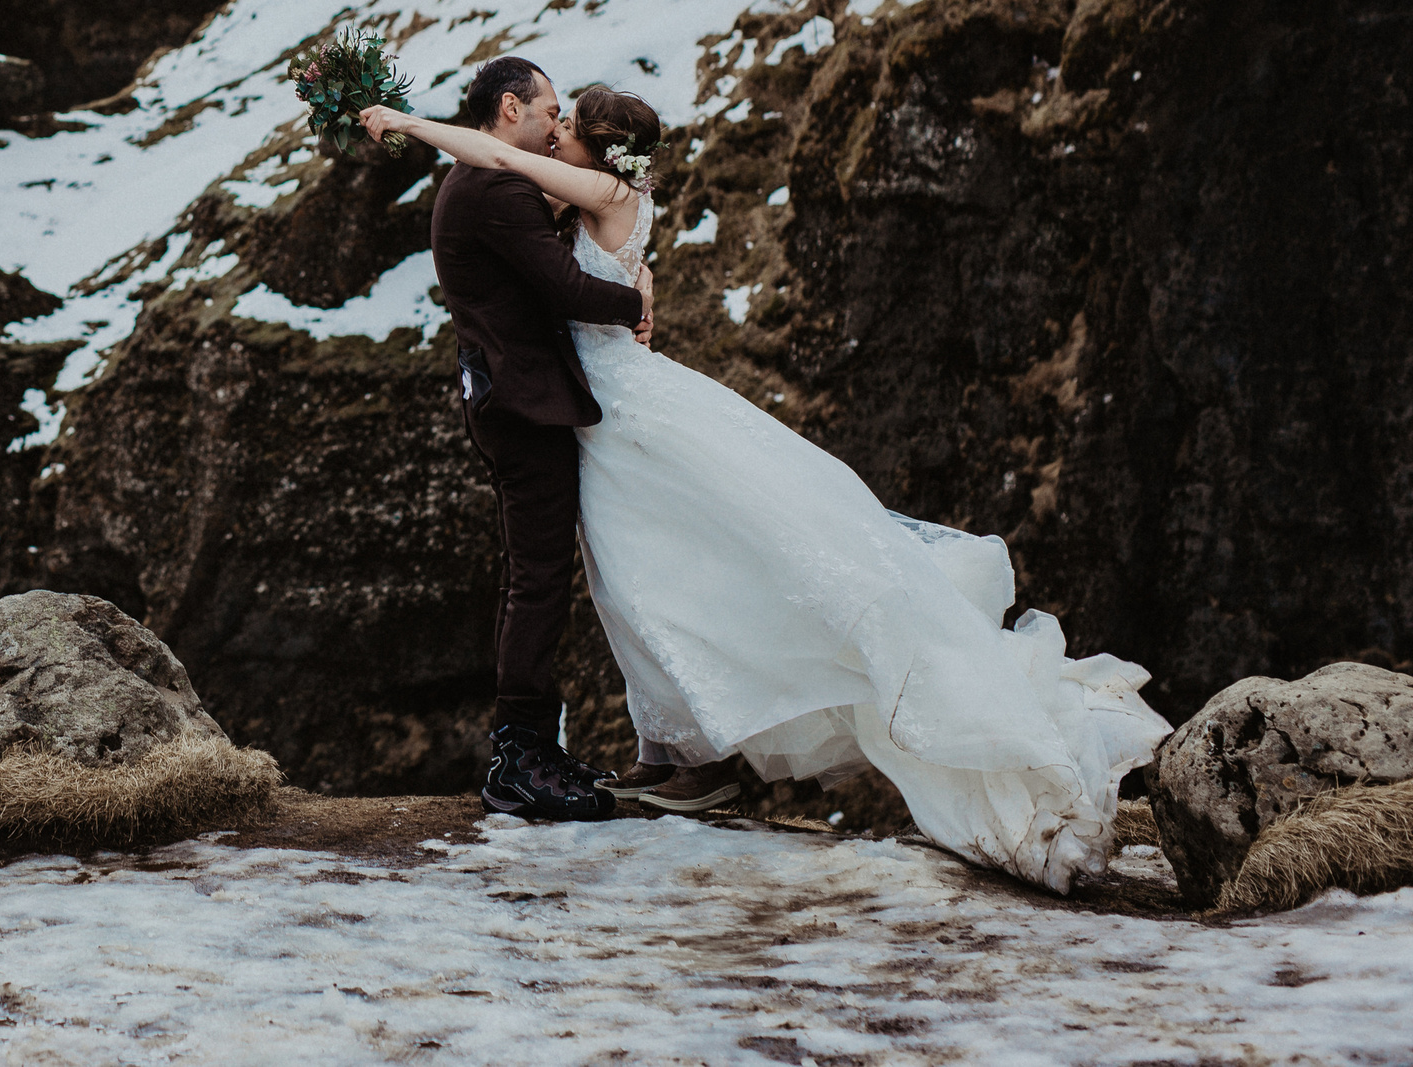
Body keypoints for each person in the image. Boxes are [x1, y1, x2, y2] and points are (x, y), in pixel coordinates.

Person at [367, 82, 1171, 892]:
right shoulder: (582, 192)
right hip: (610, 411)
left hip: (626, 414)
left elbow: (499, 156)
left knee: (664, 575)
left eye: (566, 124)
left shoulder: (608, 189)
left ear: (602, 148)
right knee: (641, 584)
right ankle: (676, 757)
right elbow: (506, 181)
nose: (553, 133)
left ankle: (694, 758)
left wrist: (406, 122)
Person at [424, 57, 652, 823]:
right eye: (551, 109)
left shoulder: (483, 180)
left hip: (512, 398)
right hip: (524, 408)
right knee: (540, 579)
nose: (559, 123)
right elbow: (564, 287)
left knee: (534, 574)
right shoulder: (495, 188)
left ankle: (530, 747)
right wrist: (637, 304)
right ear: (511, 108)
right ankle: (518, 757)